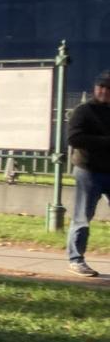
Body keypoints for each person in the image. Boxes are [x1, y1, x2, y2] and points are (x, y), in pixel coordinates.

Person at [67, 70, 110, 277]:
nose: (104, 91)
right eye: (101, 87)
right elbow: (74, 138)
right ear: (95, 88)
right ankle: (76, 259)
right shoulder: (84, 111)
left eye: (108, 88)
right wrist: (104, 141)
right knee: (83, 216)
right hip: (89, 170)